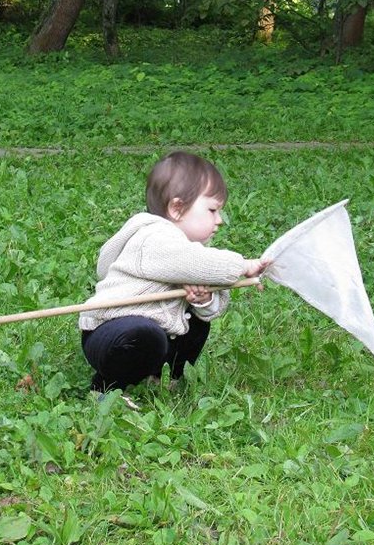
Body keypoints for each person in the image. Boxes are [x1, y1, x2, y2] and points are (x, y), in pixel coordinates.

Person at [79, 151, 269, 392]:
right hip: (108, 333)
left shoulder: (188, 252)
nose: (219, 220)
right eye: (212, 210)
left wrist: (205, 300)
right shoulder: (153, 238)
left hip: (152, 329)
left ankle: (164, 378)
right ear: (177, 208)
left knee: (196, 318)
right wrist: (243, 265)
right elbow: (197, 262)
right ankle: (106, 387)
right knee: (145, 335)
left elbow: (215, 308)